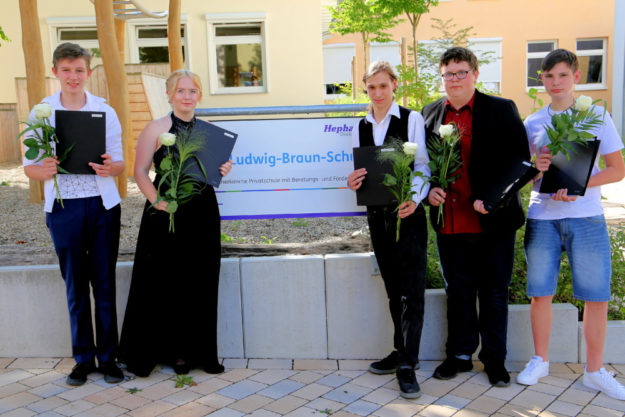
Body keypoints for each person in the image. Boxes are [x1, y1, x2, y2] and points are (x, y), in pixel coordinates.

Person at [517, 49, 625, 399]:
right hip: (542, 217)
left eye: (562, 75)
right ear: (542, 80)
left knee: (596, 297)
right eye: (548, 77)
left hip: (586, 217)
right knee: (539, 293)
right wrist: (537, 167)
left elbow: (617, 168)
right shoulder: (532, 123)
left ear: (576, 76)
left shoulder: (596, 116)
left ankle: (594, 371)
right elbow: (524, 175)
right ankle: (541, 360)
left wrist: (579, 187)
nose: (555, 83)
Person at [422, 47, 530, 386]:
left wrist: (494, 199)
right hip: (450, 222)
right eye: (448, 74)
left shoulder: (500, 109)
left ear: (475, 74)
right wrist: (428, 192)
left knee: (495, 292)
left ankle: (495, 360)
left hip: (493, 221)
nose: (454, 79)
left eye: (461, 72)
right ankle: (459, 355)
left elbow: (520, 163)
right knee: (459, 291)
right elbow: (420, 167)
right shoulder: (430, 114)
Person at [118, 69, 232, 377]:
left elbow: (212, 174)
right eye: (180, 90)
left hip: (202, 213)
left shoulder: (210, 132)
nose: (186, 96)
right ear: (169, 94)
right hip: (165, 212)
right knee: (163, 282)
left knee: (200, 281)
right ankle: (164, 352)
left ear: (199, 95)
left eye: (192, 90)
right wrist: (158, 201)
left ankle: (195, 353)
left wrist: (224, 168)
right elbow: (139, 172)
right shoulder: (156, 128)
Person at [23, 42, 125, 386]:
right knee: (76, 285)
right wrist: (46, 168)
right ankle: (83, 359)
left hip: (102, 207)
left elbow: (120, 163)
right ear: (55, 72)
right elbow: (29, 169)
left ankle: (109, 358)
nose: (73, 76)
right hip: (64, 209)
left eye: (79, 70)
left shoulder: (105, 111)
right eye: (66, 70)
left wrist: (111, 168)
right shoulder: (41, 112)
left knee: (104, 283)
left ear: (89, 73)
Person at [347, 61, 430, 399]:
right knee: (394, 289)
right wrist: (352, 181)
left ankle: (409, 363)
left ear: (394, 85)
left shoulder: (411, 119)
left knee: (412, 290)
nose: (378, 93)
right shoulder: (360, 126)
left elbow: (422, 166)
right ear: (365, 89)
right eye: (371, 87)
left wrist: (414, 198)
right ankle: (400, 350)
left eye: (383, 86)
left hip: (408, 214)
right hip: (377, 217)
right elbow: (358, 174)